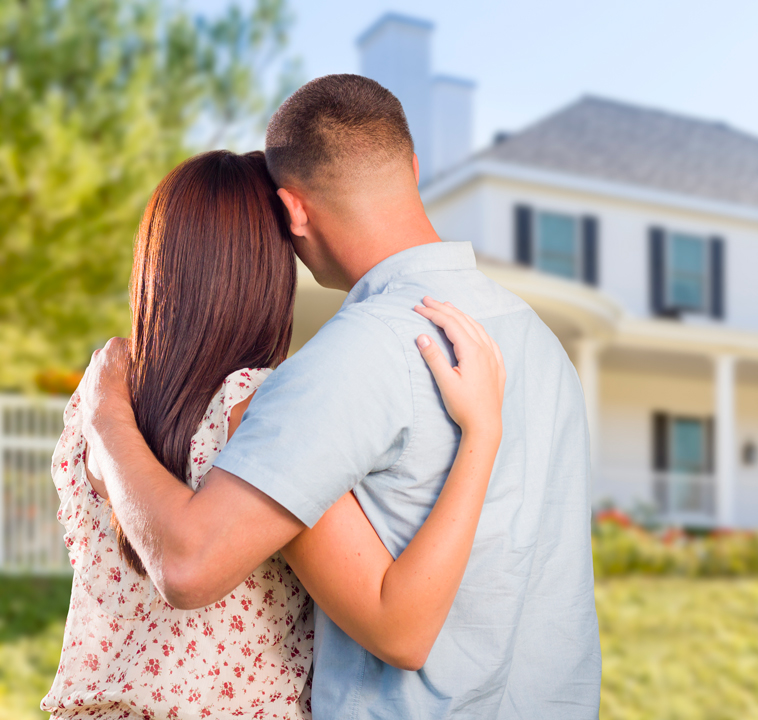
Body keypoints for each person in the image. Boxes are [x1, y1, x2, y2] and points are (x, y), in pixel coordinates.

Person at [80, 74, 602, 719]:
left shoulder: (350, 358)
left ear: (293, 211)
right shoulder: (536, 340)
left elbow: (189, 565)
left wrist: (106, 417)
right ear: (412, 166)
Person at [44, 149, 507, 719]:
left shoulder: (96, 404)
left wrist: (104, 415)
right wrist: (483, 431)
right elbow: (400, 627)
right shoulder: (256, 409)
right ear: (266, 270)